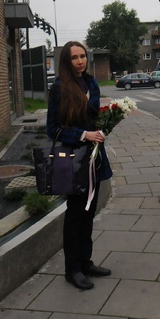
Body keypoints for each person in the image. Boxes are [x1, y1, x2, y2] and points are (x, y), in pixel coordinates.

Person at [47, 41, 113, 290]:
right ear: (67, 60)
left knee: (89, 214)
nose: (80, 61)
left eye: (83, 56)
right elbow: (52, 129)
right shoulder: (59, 88)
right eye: (74, 57)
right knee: (75, 215)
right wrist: (84, 135)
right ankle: (72, 269)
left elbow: (93, 118)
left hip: (94, 159)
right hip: (72, 162)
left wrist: (105, 126)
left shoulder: (92, 83)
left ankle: (86, 263)